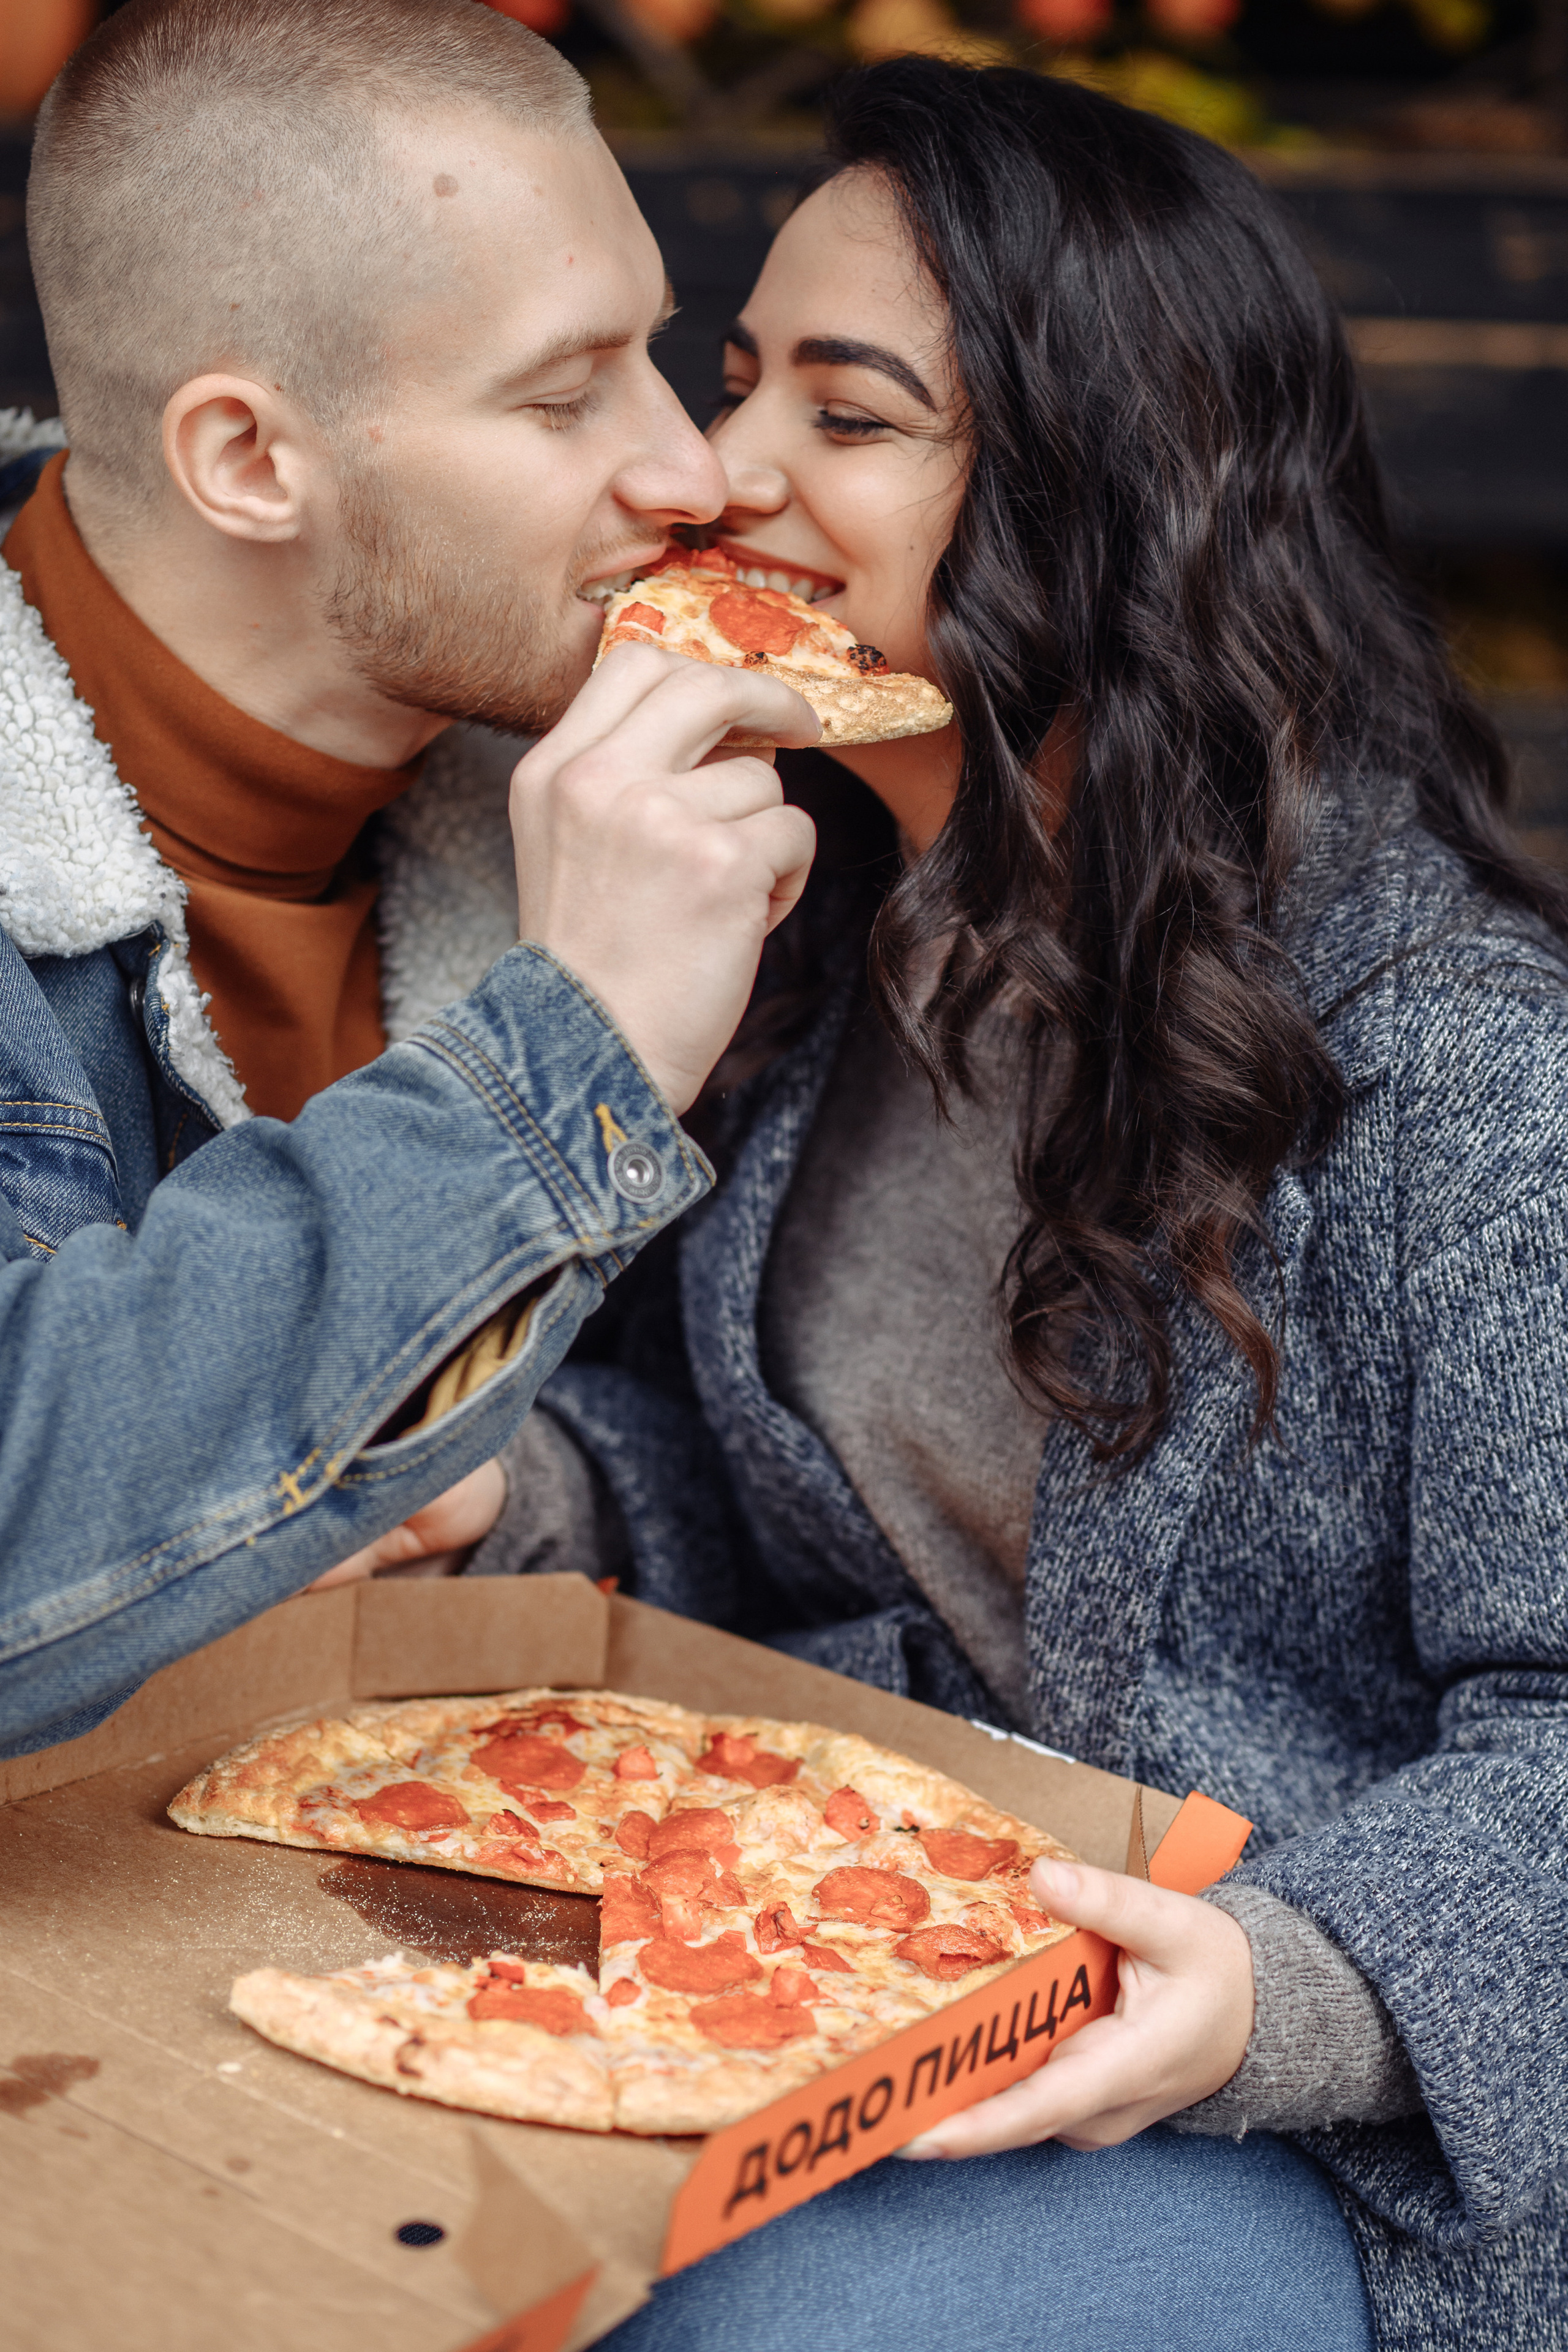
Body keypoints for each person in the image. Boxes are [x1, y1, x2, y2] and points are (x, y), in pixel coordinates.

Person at [464, 58, 1568, 2352]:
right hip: (879, 1951)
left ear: (1111, 501)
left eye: (846, 419)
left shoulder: (1463, 1061)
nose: (715, 468)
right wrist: (513, 1489)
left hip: (1318, 2121)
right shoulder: (846, 932)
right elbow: (782, 1520)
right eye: (739, 375)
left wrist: (1300, 1989)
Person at [0, 0, 820, 1755]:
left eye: (660, 358)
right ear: (248, 461)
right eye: (562, 394)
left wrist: (515, 1489)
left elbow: (735, 1466)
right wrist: (572, 1049)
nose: (691, 471)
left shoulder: (636, 798)